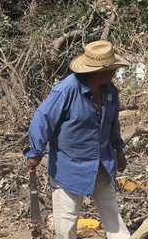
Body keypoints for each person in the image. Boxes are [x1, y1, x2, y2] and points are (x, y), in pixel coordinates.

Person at [24, 40, 132, 239]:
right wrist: (36, 151)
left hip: (102, 161)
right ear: (97, 71)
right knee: (66, 223)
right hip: (70, 167)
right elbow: (42, 119)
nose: (115, 72)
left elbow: (112, 124)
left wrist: (119, 151)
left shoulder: (110, 92)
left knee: (112, 214)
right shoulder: (66, 90)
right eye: (112, 69)